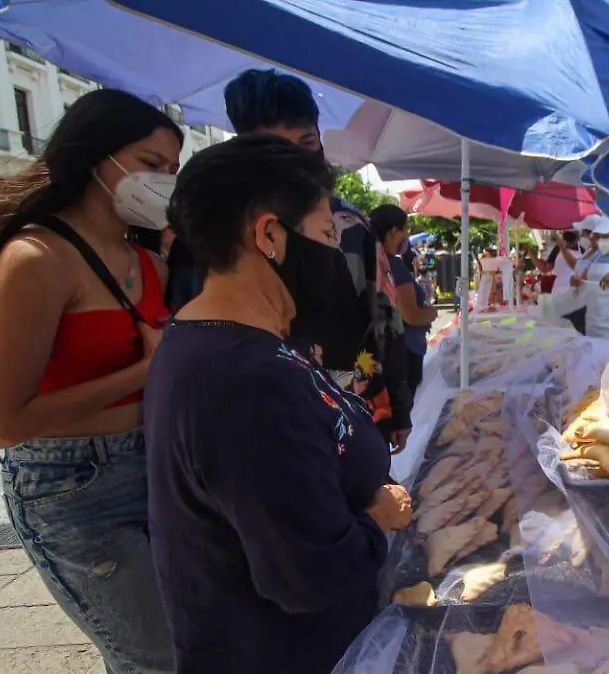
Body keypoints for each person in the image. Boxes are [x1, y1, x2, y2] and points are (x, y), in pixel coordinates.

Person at [146, 134, 412, 674]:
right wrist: (376, 518)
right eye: (325, 235)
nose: (338, 256)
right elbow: (306, 575)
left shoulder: (238, 340)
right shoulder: (241, 378)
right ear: (270, 234)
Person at [0, 89, 180, 673]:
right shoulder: (37, 258)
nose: (164, 184)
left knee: (183, 646)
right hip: (74, 485)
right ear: (99, 158)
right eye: (151, 166)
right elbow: (3, 423)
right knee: (155, 658)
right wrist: (144, 372)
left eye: (173, 171)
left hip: (155, 467)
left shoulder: (149, 260)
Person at [224, 68, 412, 451]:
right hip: (267, 420)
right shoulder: (227, 231)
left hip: (356, 408)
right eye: (277, 147)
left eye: (307, 141)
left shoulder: (352, 226)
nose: (298, 160)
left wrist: (399, 406)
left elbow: (386, 318)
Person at [371, 205, 438, 398]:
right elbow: (411, 316)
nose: (406, 236)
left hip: (384, 352)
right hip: (404, 353)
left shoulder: (372, 260)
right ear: (393, 231)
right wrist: (431, 313)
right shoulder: (393, 264)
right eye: (405, 229)